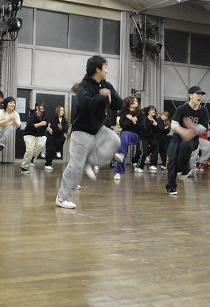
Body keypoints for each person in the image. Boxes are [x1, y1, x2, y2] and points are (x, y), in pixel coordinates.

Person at [55, 55, 122, 209]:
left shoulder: (106, 85)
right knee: (75, 167)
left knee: (115, 140)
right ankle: (62, 198)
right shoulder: (83, 86)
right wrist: (101, 95)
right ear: (98, 69)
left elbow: (117, 104)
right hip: (81, 131)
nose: (107, 71)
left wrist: (110, 93)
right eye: (105, 67)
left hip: (97, 129)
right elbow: (86, 104)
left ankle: (89, 161)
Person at [165, 86, 210, 195]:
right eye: (197, 94)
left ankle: (184, 168)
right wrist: (183, 131)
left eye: (201, 95)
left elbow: (204, 127)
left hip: (192, 138)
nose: (200, 96)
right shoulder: (182, 109)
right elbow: (174, 124)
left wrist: (193, 128)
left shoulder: (204, 111)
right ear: (190, 95)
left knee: (185, 146)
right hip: (177, 136)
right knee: (172, 158)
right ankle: (171, 186)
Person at [0, 96, 21, 176]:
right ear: (6, 104)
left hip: (5, 131)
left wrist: (15, 121)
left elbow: (18, 127)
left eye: (13, 103)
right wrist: (7, 120)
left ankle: (1, 145)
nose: (13, 104)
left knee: (11, 127)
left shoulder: (15, 114)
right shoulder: (1, 112)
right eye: (10, 103)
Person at [114, 96, 142, 180]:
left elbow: (142, 127)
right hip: (124, 135)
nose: (136, 102)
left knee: (125, 135)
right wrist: (131, 121)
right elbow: (122, 125)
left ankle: (121, 154)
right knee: (122, 149)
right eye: (134, 101)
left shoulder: (140, 114)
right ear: (129, 103)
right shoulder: (123, 113)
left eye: (136, 101)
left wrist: (134, 122)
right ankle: (118, 172)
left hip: (135, 135)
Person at [21, 101, 48, 174]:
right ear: (37, 107)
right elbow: (31, 126)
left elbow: (45, 125)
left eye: (43, 106)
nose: (42, 108)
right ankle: (24, 167)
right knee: (30, 149)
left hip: (38, 135)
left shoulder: (44, 115)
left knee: (41, 145)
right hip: (29, 134)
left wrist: (48, 128)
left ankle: (32, 157)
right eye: (40, 106)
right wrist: (41, 124)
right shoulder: (32, 115)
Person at [134, 105, 162, 174]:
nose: (154, 111)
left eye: (154, 110)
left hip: (150, 137)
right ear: (148, 111)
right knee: (143, 152)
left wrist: (156, 125)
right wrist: (151, 123)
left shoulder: (155, 119)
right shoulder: (144, 118)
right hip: (143, 136)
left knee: (156, 145)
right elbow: (144, 129)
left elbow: (160, 129)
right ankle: (139, 167)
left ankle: (151, 161)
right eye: (152, 110)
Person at [44, 105, 68, 170]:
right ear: (57, 111)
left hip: (59, 137)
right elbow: (54, 129)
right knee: (51, 150)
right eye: (60, 110)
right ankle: (47, 164)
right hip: (52, 136)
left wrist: (61, 128)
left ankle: (58, 150)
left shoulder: (64, 120)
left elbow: (65, 129)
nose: (62, 112)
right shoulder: (53, 119)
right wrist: (60, 129)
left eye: (63, 110)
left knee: (63, 138)